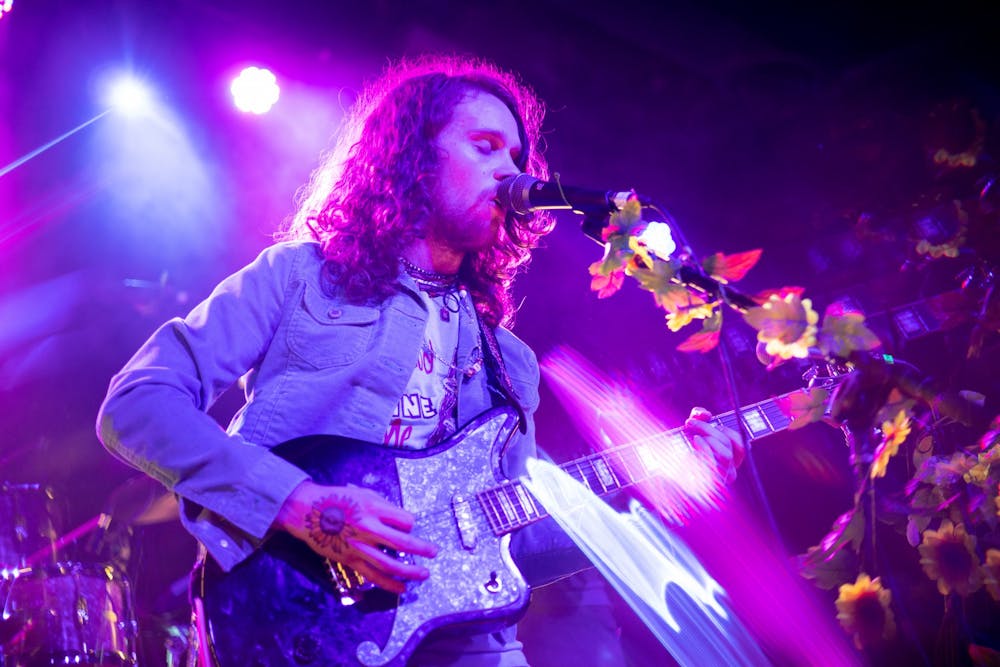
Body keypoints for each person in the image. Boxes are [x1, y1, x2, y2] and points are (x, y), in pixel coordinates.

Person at [96, 54, 744, 666]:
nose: (511, 172)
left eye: (517, 156)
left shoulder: (509, 360)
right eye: (485, 146)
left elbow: (516, 545)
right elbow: (137, 403)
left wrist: (650, 484)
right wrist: (296, 501)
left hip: (469, 647)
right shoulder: (297, 277)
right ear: (411, 156)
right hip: (294, 617)